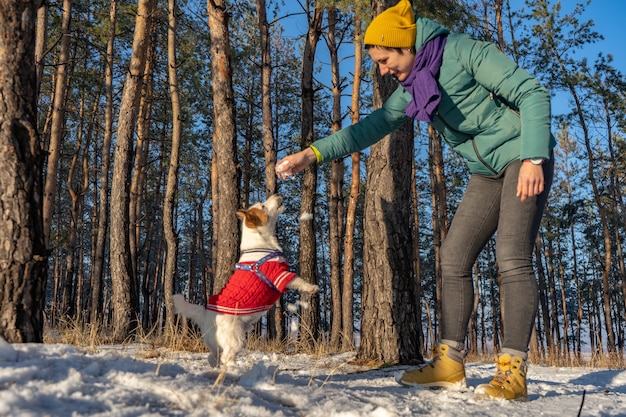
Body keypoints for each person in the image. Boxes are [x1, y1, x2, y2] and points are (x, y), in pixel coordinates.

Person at [276, 0, 555, 401]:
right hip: (487, 170)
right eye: (378, 63)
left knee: (512, 256)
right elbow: (369, 127)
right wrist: (311, 154)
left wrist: (533, 157)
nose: (383, 69)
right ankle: (449, 362)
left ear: (406, 44)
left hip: (523, 154)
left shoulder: (463, 51)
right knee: (453, 257)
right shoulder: (414, 88)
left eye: (386, 59)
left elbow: (532, 93)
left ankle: (513, 370)